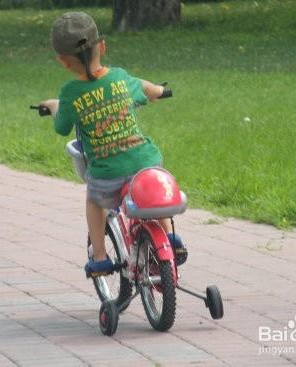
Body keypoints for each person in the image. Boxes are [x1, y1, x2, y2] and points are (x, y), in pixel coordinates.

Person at [41, 12, 187, 277]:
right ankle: (171, 239)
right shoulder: (120, 78)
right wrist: (157, 90)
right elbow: (144, 87)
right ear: (103, 47)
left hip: (108, 173)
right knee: (150, 190)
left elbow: (62, 127)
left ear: (63, 62)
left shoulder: (70, 94)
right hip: (145, 162)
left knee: (94, 201)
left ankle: (99, 258)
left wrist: (53, 107)